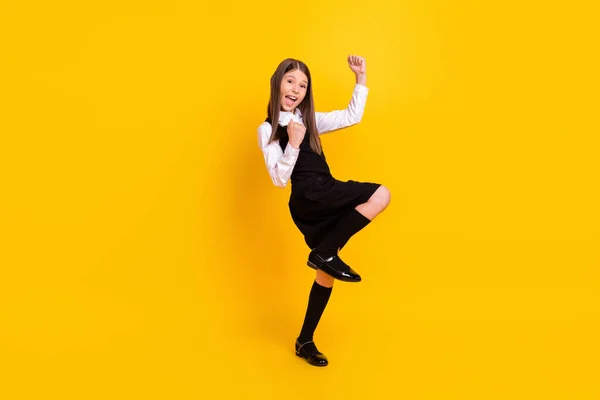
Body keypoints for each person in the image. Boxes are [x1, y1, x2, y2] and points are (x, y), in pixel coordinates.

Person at [257, 55, 391, 367]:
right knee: (381, 194)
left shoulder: (309, 119)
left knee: (325, 274)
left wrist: (360, 79)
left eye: (303, 85)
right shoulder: (268, 128)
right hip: (309, 195)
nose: (296, 88)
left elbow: (350, 116)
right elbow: (278, 178)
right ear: (278, 84)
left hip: (322, 192)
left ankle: (304, 340)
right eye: (290, 81)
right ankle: (326, 252)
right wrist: (292, 143)